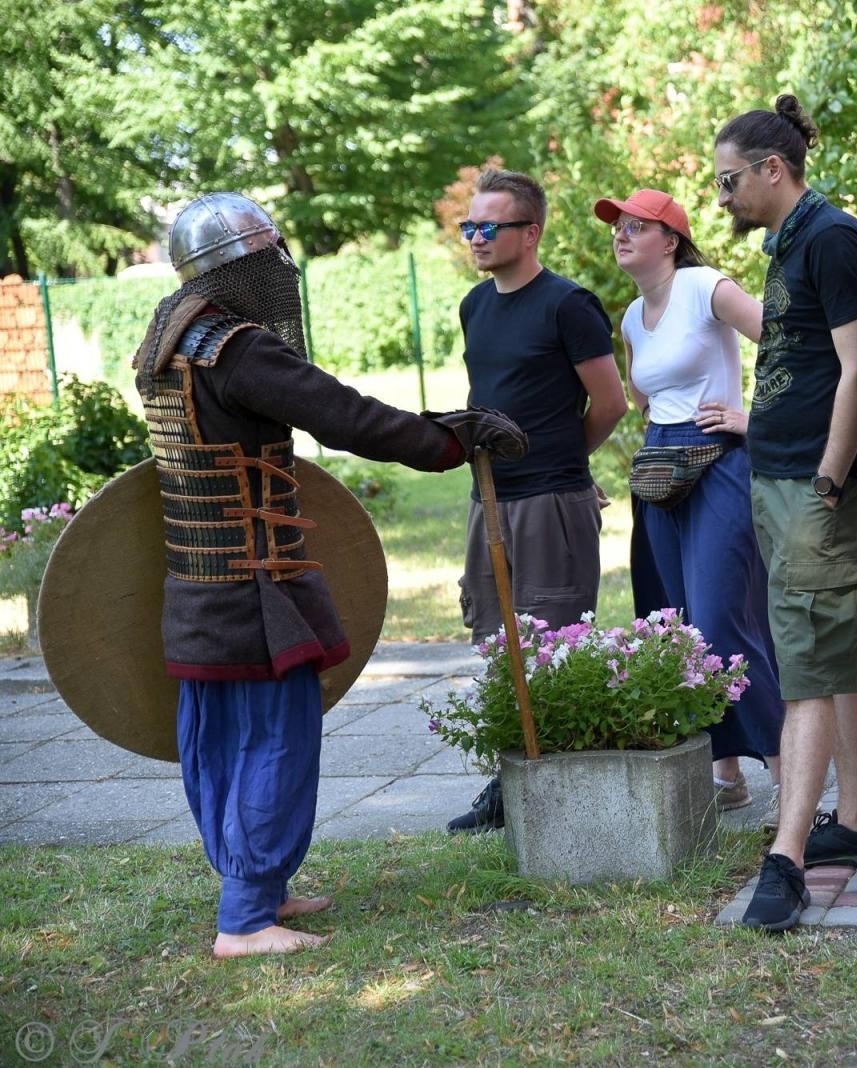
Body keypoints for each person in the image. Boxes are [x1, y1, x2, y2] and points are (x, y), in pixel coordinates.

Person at [132, 193, 527, 956]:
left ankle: (260, 889)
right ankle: (245, 918)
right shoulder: (239, 349)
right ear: (243, 266)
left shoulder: (170, 336)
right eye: (268, 256)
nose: (281, 269)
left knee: (220, 738)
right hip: (253, 587)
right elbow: (344, 415)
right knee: (273, 735)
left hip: (198, 583)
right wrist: (446, 439)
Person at [710, 95, 857, 932]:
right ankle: (856, 823)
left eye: (730, 181)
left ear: (772, 170)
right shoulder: (790, 242)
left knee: (807, 663)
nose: (723, 198)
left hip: (812, 485)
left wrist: (827, 477)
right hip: (776, 476)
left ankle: (784, 857)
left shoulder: (833, 237)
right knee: (829, 650)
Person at [446, 168, 629, 833]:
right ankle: (508, 784)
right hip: (487, 499)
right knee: (496, 643)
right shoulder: (475, 305)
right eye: (471, 226)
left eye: (489, 226)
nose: (476, 237)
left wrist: (565, 463)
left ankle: (562, 784)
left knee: (553, 646)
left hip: (551, 503)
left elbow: (611, 402)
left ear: (532, 231)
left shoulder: (567, 305)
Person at [593, 186, 786, 809]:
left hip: (720, 465)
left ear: (670, 240)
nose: (621, 234)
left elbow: (791, 348)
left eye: (636, 225)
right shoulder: (629, 316)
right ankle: (724, 774)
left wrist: (754, 419)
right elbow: (643, 396)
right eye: (617, 226)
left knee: (721, 620)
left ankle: (791, 781)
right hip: (660, 473)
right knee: (672, 623)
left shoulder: (706, 287)